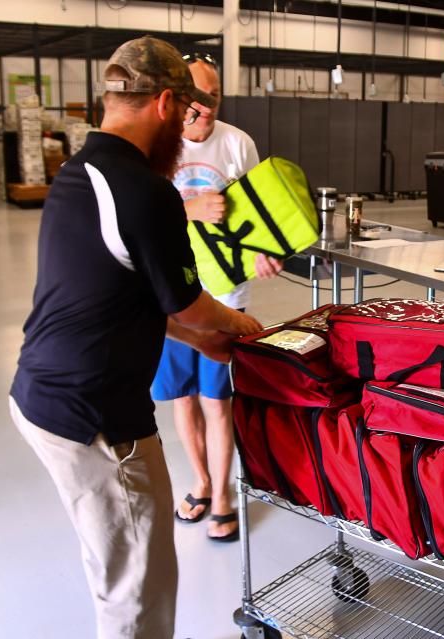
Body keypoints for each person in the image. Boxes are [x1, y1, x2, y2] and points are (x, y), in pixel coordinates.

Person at [9, 37, 263, 639]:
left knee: (116, 562)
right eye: (185, 112)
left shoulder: (81, 169)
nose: (189, 125)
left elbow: (123, 294)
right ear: (166, 103)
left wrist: (197, 343)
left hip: (42, 393)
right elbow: (192, 304)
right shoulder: (146, 191)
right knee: (138, 587)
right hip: (95, 417)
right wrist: (235, 326)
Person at [152, 52, 282, 543]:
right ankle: (201, 482)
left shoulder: (237, 144)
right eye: (197, 98)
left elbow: (257, 213)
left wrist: (264, 252)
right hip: (171, 291)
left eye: (214, 97)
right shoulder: (158, 145)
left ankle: (224, 493)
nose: (206, 108)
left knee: (217, 400)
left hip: (225, 292)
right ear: (178, 98)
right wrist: (190, 207)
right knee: (182, 399)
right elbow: (143, 216)